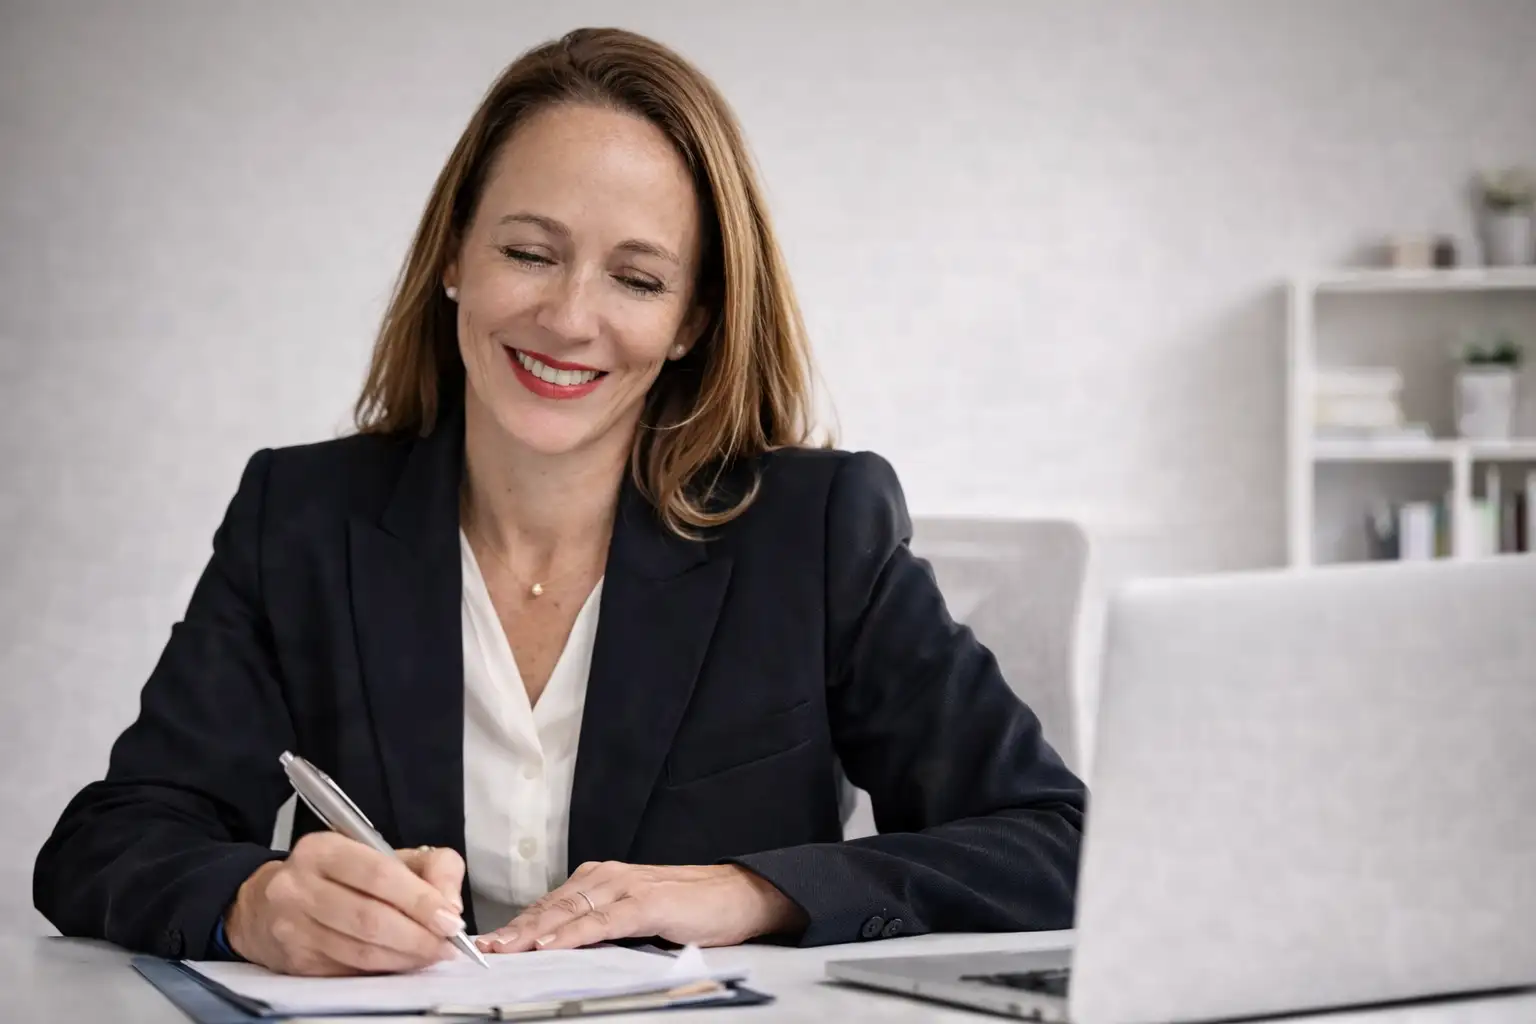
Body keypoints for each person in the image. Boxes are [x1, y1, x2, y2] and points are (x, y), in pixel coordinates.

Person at [33, 27, 1086, 977]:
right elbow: (109, 838)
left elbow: (1058, 838)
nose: (569, 316)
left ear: (690, 321)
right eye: (529, 252)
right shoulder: (301, 517)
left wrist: (752, 891)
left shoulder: (813, 531)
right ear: (454, 255)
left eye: (637, 279)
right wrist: (255, 901)